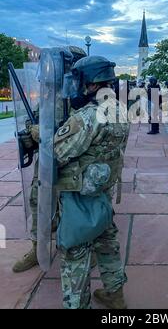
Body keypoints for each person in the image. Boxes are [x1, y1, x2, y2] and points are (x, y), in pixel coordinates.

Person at [55, 56, 129, 309]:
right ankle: (115, 295)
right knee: (106, 241)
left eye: (78, 82)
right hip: (102, 192)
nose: (75, 87)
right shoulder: (118, 108)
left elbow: (58, 153)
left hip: (80, 197)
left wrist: (39, 136)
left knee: (74, 252)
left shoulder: (87, 116)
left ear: (92, 84)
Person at [12, 46, 87, 273]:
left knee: (75, 210)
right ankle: (38, 248)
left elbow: (78, 131)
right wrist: (32, 130)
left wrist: (41, 132)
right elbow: (32, 118)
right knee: (38, 203)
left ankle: (83, 250)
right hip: (45, 163)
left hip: (73, 165)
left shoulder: (81, 96)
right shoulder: (47, 95)